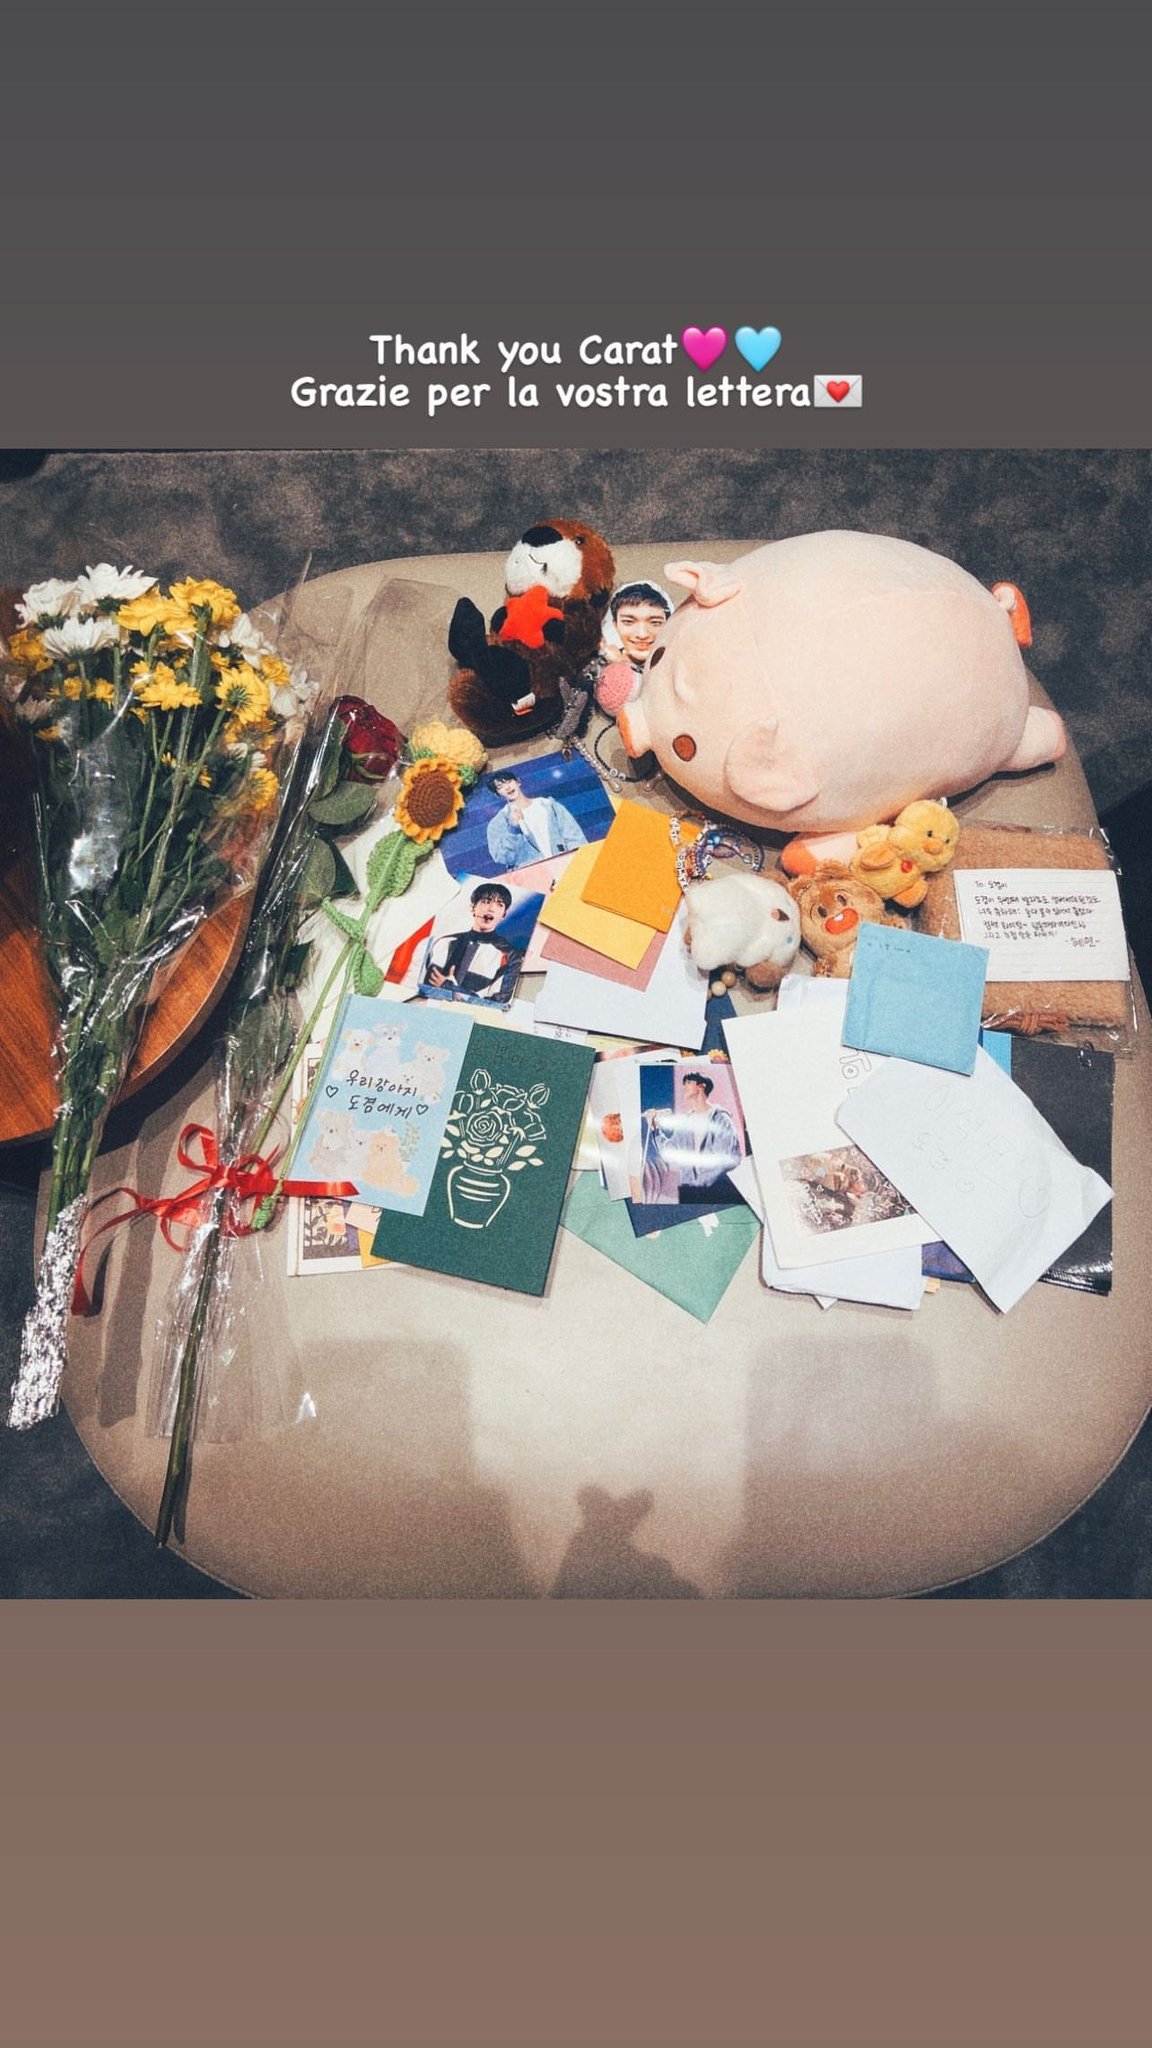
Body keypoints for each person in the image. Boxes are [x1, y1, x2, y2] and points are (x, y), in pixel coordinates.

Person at [641, 1070, 743, 1204]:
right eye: (684, 1083)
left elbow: (724, 1158)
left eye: (689, 1082)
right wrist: (655, 1128)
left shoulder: (721, 1119)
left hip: (715, 1190)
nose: (685, 1086)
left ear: (702, 1086)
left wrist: (701, 1185)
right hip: (689, 1192)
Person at [423, 883, 523, 1005]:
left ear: (504, 914)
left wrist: (451, 989)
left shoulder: (511, 955)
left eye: (499, 904)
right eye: (486, 901)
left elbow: (499, 1003)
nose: (491, 908)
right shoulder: (443, 942)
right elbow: (424, 988)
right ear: (473, 908)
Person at [592, 582, 673, 717]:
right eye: (628, 622)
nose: (642, 634)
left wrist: (622, 661)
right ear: (615, 625)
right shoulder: (604, 656)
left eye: (655, 623)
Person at [484, 770, 586, 870]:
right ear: (498, 794)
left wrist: (579, 865)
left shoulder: (548, 805)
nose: (507, 787)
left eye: (509, 781)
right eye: (500, 787)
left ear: (518, 782)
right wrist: (513, 830)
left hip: (566, 867)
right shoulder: (497, 823)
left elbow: (574, 837)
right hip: (533, 875)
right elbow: (503, 857)